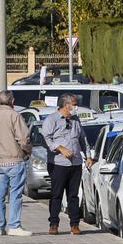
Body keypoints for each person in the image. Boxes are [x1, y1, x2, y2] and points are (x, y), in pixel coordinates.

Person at [42, 93, 92, 235]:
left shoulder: (75, 120)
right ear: (66, 105)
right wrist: (60, 148)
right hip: (58, 163)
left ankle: (74, 224)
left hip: (75, 163)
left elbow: (82, 139)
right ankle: (53, 224)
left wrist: (88, 156)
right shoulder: (52, 120)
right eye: (74, 104)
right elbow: (45, 140)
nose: (76, 107)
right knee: (56, 194)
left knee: (73, 195)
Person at [0, 91, 33, 236]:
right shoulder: (14, 115)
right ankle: (14, 225)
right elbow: (24, 138)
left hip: (0, 160)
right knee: (15, 194)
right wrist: (27, 151)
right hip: (14, 159)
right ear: (12, 101)